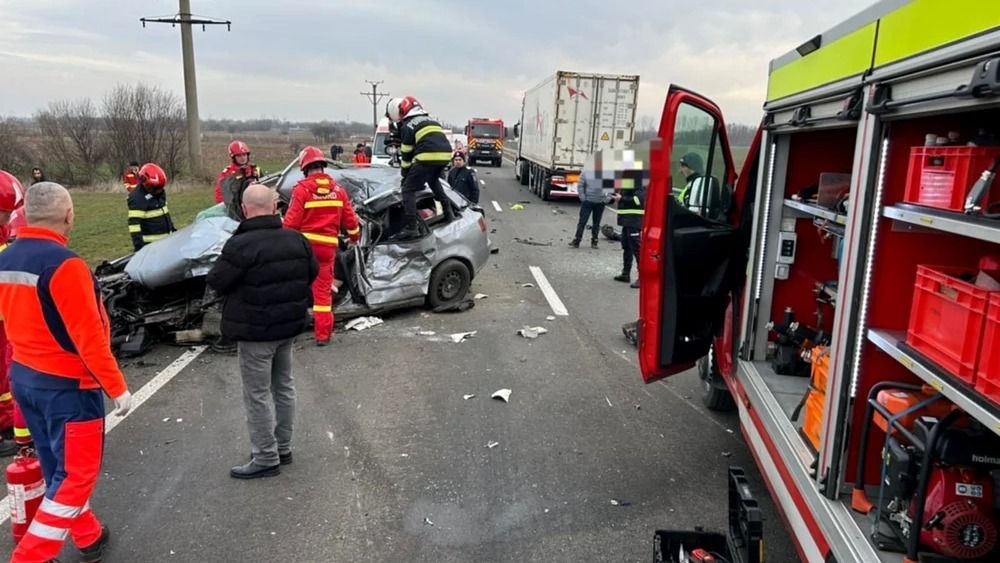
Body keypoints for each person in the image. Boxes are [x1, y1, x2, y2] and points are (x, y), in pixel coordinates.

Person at [0, 181, 132, 562]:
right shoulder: (65, 265)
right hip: (68, 388)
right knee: (76, 476)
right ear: (69, 215)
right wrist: (117, 388)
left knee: (58, 466)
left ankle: (87, 533)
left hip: (26, 377)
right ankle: (29, 557)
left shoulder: (7, 259)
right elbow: (88, 336)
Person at [207, 184, 318, 479]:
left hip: (255, 334)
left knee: (257, 395)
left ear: (245, 209)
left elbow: (217, 280)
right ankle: (282, 447)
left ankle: (266, 457)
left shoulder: (240, 245)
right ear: (274, 206)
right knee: (283, 386)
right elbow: (313, 273)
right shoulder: (297, 240)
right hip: (289, 328)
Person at [282, 146, 361, 346]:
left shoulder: (301, 190)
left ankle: (290, 329)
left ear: (305, 168)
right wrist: (354, 238)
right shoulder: (338, 191)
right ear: (323, 167)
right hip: (327, 250)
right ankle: (322, 336)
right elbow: (351, 223)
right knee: (322, 293)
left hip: (304, 249)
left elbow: (290, 225)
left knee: (295, 288)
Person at [385, 96, 454, 239]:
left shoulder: (408, 125)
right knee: (433, 181)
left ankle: (412, 227)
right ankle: (449, 213)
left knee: (408, 189)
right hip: (446, 156)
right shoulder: (430, 120)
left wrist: (405, 175)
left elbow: (406, 154)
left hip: (427, 157)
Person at [0, 171, 28, 457]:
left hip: (6, 317)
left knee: (6, 376)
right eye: (4, 214)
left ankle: (7, 423)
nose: (8, 220)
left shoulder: (3, 233)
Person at [611, 149, 647, 289]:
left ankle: (642, 277)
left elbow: (639, 199)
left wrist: (622, 198)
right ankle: (626, 273)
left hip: (634, 219)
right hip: (627, 219)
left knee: (637, 248)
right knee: (626, 246)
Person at [127, 162, 176, 251]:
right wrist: (140, 249)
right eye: (156, 188)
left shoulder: (159, 192)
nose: (159, 191)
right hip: (150, 248)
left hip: (166, 243)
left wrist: (173, 231)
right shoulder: (137, 198)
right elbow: (134, 226)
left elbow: (165, 213)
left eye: (161, 187)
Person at [569, 154, 607, 249]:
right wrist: (582, 197)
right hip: (588, 202)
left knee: (596, 223)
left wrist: (606, 199)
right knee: (582, 222)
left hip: (600, 203)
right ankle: (577, 240)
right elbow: (580, 185)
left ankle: (594, 241)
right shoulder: (586, 172)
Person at [214, 140, 260, 206]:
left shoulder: (255, 169)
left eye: (244, 155)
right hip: (236, 207)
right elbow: (220, 194)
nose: (242, 158)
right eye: (239, 156)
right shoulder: (227, 173)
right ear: (233, 157)